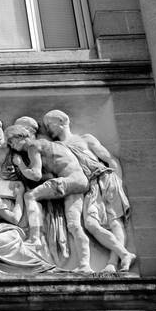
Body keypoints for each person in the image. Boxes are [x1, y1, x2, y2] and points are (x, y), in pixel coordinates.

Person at [42, 110, 134, 272]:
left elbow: (110, 160)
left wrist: (117, 181)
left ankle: (113, 263)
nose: (48, 129)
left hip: (105, 178)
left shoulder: (85, 139)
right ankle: (124, 254)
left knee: (114, 221)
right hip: (89, 186)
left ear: (62, 120)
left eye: (50, 124)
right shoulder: (57, 147)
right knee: (91, 224)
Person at [6, 123, 91, 273]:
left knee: (30, 196)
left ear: (19, 137)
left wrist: (20, 165)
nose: (11, 146)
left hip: (69, 180)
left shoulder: (33, 146)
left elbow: (36, 174)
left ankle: (35, 238)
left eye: (11, 141)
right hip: (80, 181)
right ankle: (85, 265)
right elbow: (49, 175)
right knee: (74, 225)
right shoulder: (47, 145)